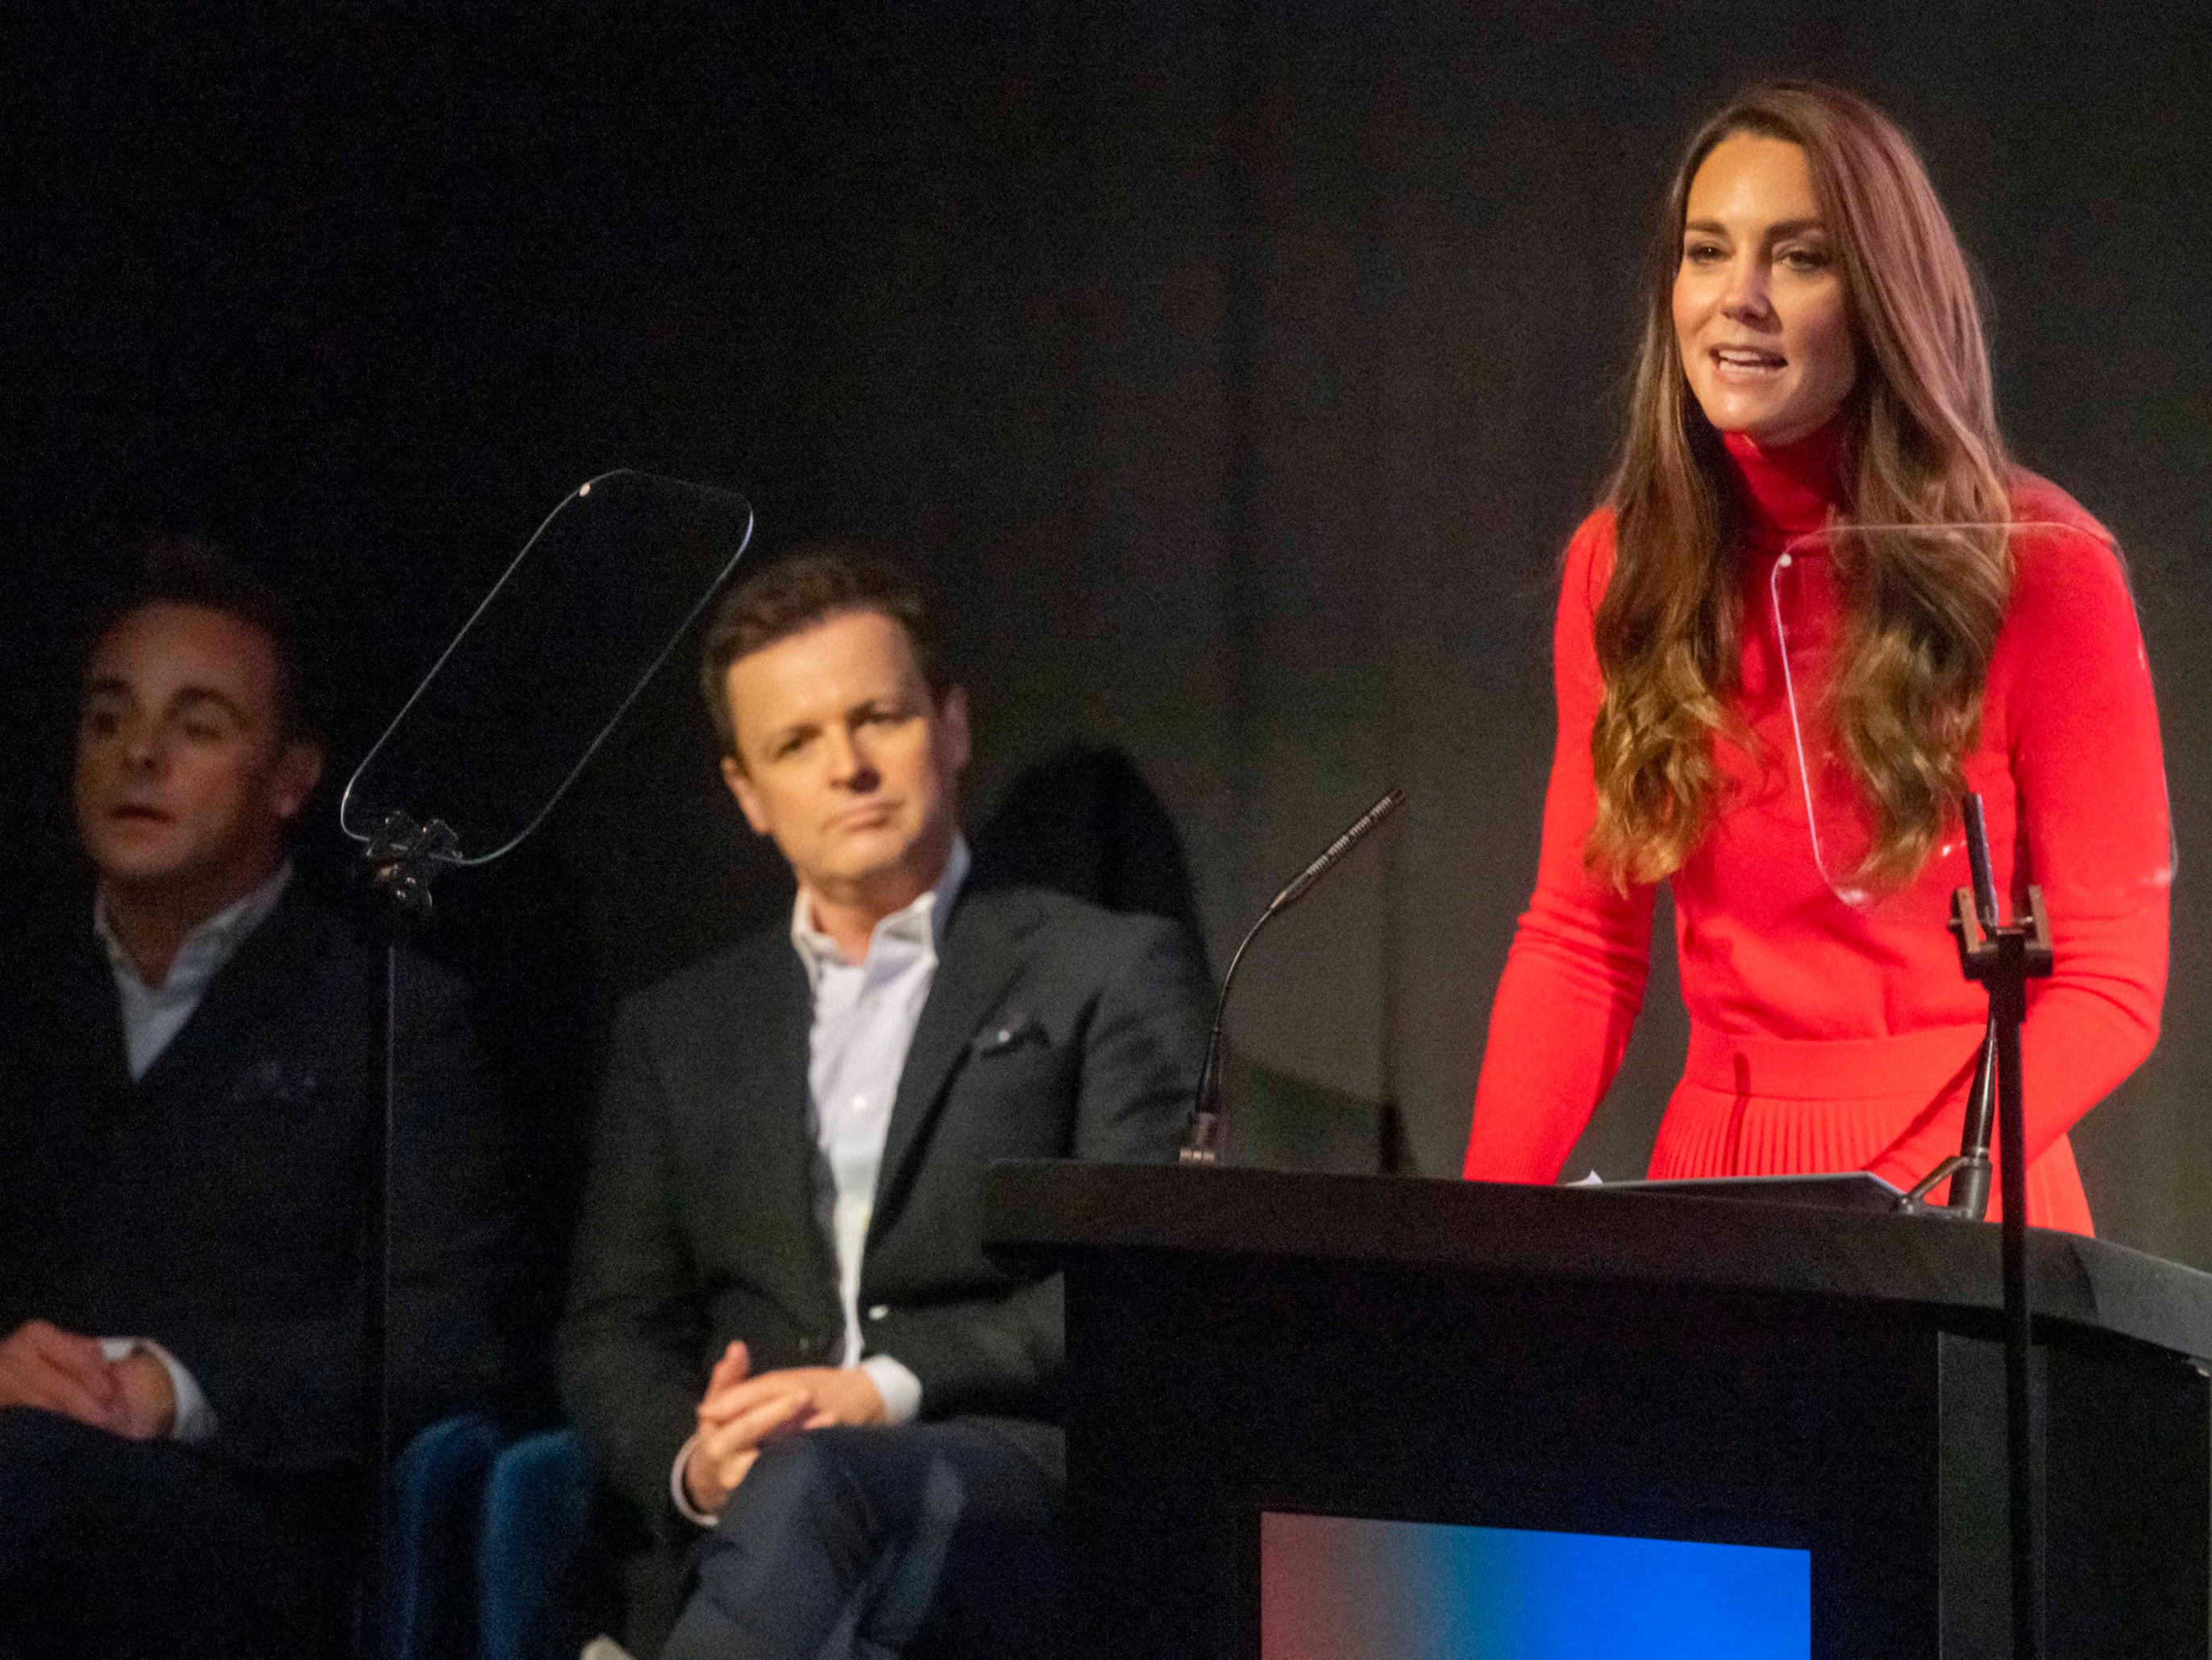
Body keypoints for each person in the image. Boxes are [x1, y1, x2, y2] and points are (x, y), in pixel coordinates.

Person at [1462, 83, 2168, 1233]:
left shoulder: (2041, 565)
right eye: (1707, 252)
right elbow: (1581, 944)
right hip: (1718, 1194)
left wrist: (1903, 1201)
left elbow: (2111, 985)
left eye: (1799, 259)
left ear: (1882, 296)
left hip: (1967, 1206)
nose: (1737, 300)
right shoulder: (1621, 564)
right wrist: (1470, 1242)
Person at [558, 545, 1212, 1658]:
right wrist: (692, 1459)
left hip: (1006, 1477)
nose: (848, 766)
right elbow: (612, 1325)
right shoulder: (678, 1028)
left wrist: (886, 1388)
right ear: (746, 793)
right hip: (760, 1527)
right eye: (797, 743)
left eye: (880, 718)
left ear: (952, 729)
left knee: (823, 1484)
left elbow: (1135, 1293)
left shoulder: (1106, 970)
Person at [0, 546, 525, 1657]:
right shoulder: (24, 990)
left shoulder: (386, 1008)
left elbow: (443, 1339)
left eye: (196, 726)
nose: (138, 754)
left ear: (290, 780)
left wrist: (173, 1385)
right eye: (108, 720)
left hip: (246, 1531)